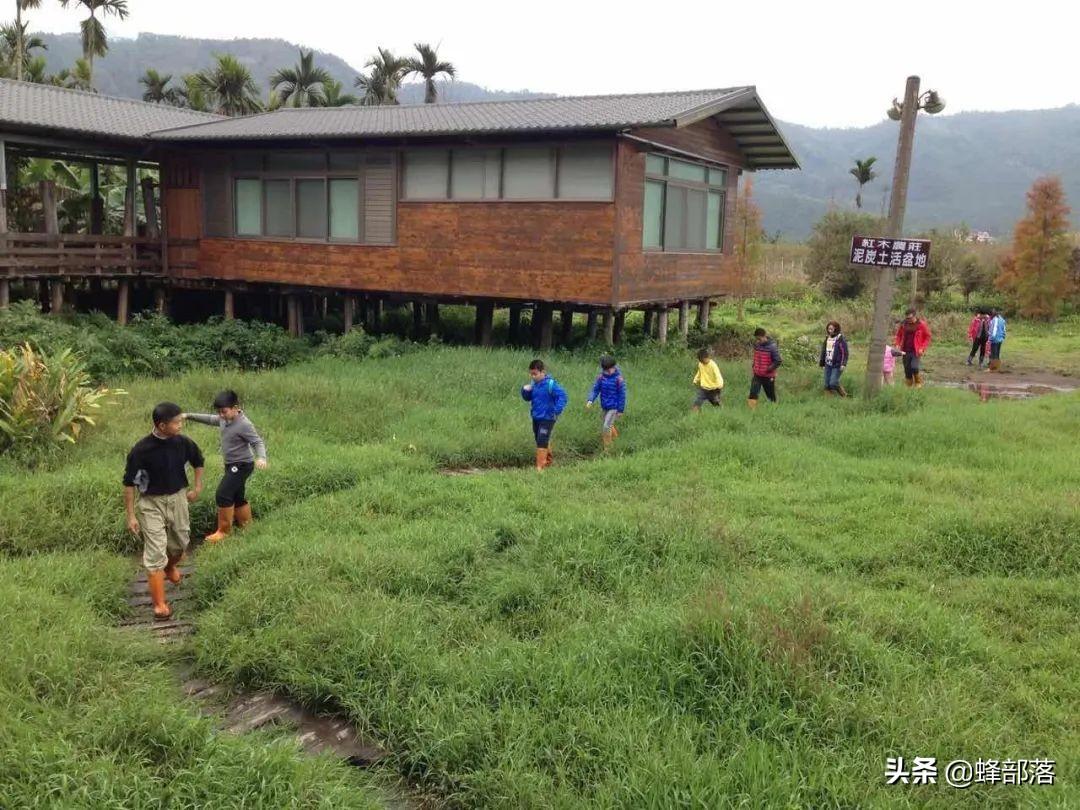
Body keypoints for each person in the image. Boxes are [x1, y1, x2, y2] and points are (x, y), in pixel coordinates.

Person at [123, 402, 204, 620]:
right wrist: (130, 515)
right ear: (161, 425)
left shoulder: (182, 442)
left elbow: (198, 460)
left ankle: (170, 567)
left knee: (180, 543)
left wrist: (197, 487)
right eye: (176, 422)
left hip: (177, 497)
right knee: (156, 551)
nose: (180, 426)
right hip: (151, 502)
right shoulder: (141, 450)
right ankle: (159, 605)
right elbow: (129, 483)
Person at [183, 391, 268, 543]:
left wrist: (261, 458)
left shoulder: (244, 424)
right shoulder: (224, 419)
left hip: (242, 465)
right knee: (237, 496)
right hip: (231, 465)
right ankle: (247, 526)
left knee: (223, 494)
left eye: (224, 411)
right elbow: (210, 419)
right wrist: (188, 415)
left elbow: (257, 442)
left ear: (235, 408)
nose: (221, 415)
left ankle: (223, 532)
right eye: (219, 412)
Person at [521, 359, 568, 471]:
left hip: (548, 417)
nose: (533, 376)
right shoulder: (534, 385)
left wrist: (556, 410)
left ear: (543, 372)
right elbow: (527, 398)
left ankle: (540, 468)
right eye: (531, 374)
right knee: (539, 439)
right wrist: (525, 391)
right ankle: (548, 461)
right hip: (536, 416)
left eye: (535, 374)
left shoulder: (551, 384)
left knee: (542, 439)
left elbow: (563, 396)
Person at [585, 354, 626, 450]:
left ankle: (608, 448)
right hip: (605, 406)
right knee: (608, 424)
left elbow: (622, 395)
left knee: (606, 426)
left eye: (611, 369)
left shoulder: (618, 379)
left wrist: (620, 410)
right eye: (607, 370)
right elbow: (595, 389)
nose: (609, 371)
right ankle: (616, 439)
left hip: (614, 407)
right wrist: (590, 400)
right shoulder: (601, 377)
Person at [894, 308, 932, 388]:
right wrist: (897, 344)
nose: (908, 320)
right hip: (905, 349)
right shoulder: (904, 324)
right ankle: (909, 386)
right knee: (907, 369)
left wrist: (922, 348)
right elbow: (898, 335)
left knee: (914, 367)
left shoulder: (921, 324)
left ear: (914, 316)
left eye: (910, 318)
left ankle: (918, 382)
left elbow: (928, 336)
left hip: (916, 350)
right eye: (907, 318)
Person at [748, 328, 782, 408]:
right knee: (753, 392)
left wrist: (768, 369)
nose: (758, 341)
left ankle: (774, 408)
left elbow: (778, 361)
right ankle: (751, 411)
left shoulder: (772, 347)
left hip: (768, 376)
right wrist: (754, 366)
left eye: (759, 339)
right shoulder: (757, 345)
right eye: (757, 339)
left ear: (764, 336)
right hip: (757, 375)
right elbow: (756, 357)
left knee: (770, 396)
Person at [819, 321, 849, 396]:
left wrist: (843, 364)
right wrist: (822, 363)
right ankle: (829, 402)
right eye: (829, 329)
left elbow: (844, 353)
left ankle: (843, 394)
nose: (830, 331)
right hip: (828, 363)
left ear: (836, 329)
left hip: (837, 364)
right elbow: (823, 351)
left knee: (833, 383)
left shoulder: (840, 339)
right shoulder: (827, 339)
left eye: (831, 329)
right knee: (826, 384)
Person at [691, 347, 724, 411]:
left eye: (703, 360)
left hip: (714, 389)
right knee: (697, 402)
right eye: (700, 361)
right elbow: (699, 372)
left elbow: (718, 375)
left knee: (716, 403)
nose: (702, 362)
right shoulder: (700, 364)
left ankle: (722, 413)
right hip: (703, 388)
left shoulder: (713, 365)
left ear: (707, 357)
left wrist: (720, 385)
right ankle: (694, 416)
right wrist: (695, 379)